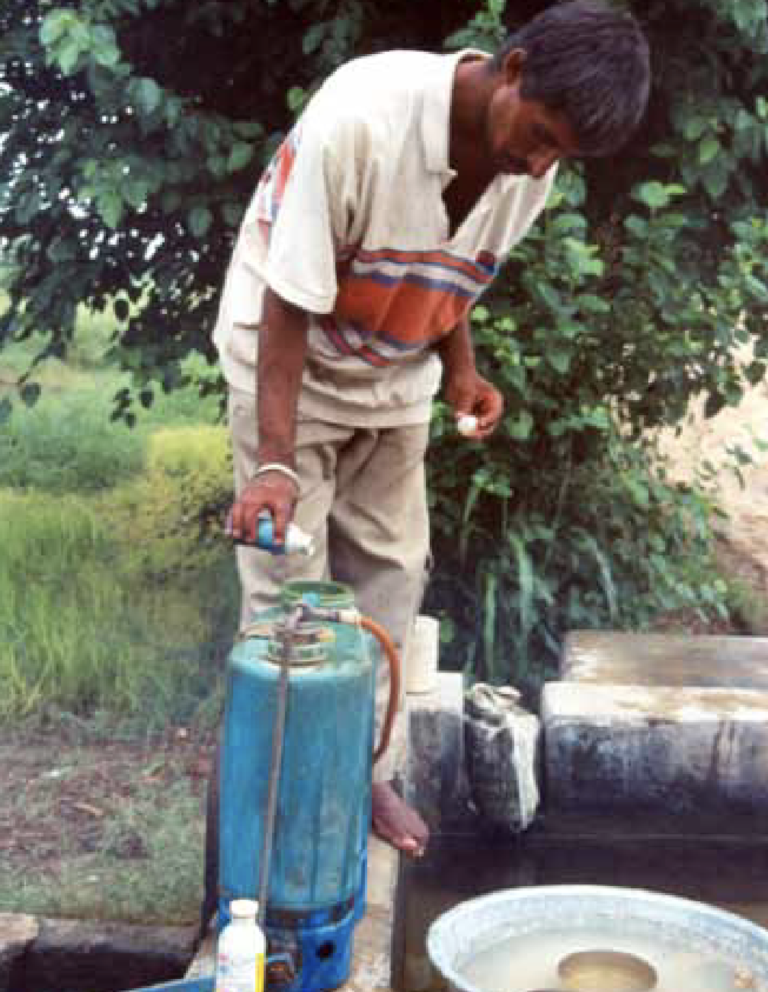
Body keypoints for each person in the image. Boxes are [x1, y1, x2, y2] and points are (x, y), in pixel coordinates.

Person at [214, 0, 650, 858]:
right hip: (286, 365)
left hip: (395, 380)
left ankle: (361, 776)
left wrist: (460, 369)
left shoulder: (533, 170)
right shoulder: (360, 117)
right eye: (541, 134)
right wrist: (273, 466)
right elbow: (288, 300)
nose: (539, 162)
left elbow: (450, 273)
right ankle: (274, 804)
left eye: (561, 153)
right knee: (288, 594)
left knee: (392, 576)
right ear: (513, 67)